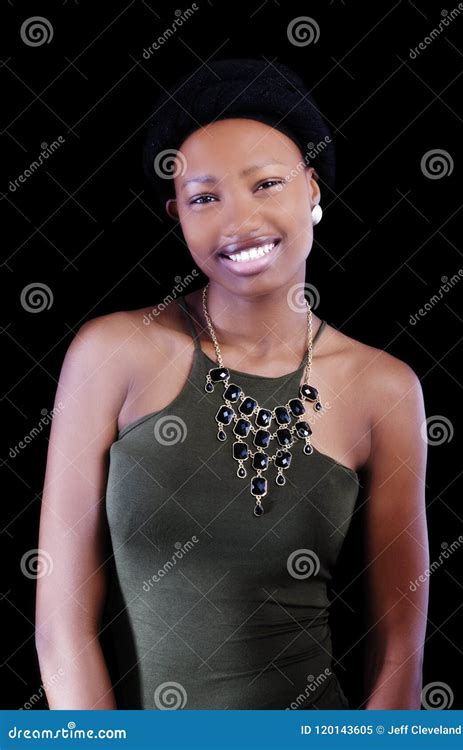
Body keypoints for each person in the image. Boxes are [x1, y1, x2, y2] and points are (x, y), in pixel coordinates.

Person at [35, 58, 429, 710]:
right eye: (205, 197)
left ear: (312, 189)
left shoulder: (382, 388)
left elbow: (399, 654)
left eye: (266, 183)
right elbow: (60, 626)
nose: (239, 219)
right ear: (178, 215)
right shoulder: (112, 353)